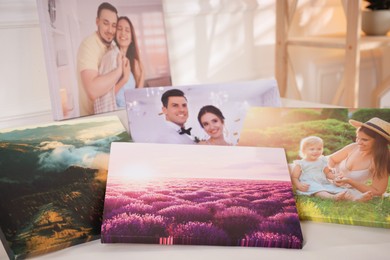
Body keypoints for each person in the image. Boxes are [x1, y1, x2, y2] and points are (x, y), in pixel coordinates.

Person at [77, 2, 125, 116]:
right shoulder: (88, 45)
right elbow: (93, 91)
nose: (110, 30)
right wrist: (119, 71)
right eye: (106, 23)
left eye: (114, 25)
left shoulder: (113, 47)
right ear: (97, 21)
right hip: (91, 119)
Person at [328, 117, 390, 200]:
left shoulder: (380, 161)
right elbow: (331, 159)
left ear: (378, 142)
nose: (358, 142)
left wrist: (349, 181)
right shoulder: (353, 147)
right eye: (357, 138)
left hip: (346, 188)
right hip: (327, 176)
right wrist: (332, 174)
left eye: (364, 140)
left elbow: (378, 191)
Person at [95, 16, 145, 113]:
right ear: (115, 34)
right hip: (116, 115)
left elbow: (138, 97)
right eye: (119, 29)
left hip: (132, 113)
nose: (123, 33)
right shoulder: (109, 58)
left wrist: (142, 75)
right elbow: (104, 98)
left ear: (131, 38)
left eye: (127, 30)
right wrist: (124, 79)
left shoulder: (135, 64)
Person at [291, 136, 349, 201]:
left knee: (333, 187)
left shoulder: (322, 161)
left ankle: (346, 195)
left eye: (319, 149)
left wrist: (334, 177)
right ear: (304, 150)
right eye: (312, 149)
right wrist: (298, 185)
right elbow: (294, 177)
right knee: (318, 190)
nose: (316, 151)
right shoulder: (301, 163)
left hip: (322, 182)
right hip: (309, 184)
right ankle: (332, 197)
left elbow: (327, 173)